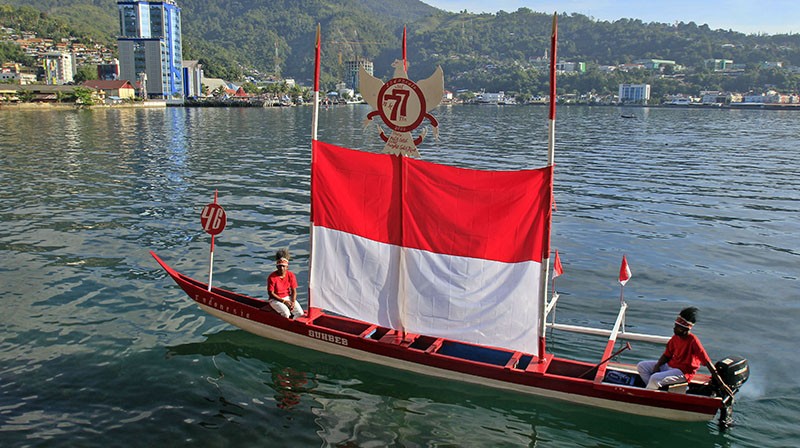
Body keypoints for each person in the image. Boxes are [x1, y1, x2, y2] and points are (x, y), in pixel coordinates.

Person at [637, 307, 733, 397]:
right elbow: (667, 355)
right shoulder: (675, 338)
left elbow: (707, 362)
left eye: (678, 327)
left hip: (683, 372)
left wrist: (721, 383)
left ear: (685, 329)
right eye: (675, 326)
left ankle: (648, 396)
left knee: (654, 378)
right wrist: (657, 366)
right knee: (642, 366)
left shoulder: (693, 341)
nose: (674, 328)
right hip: (671, 366)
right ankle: (654, 389)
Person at [266, 249, 304, 319]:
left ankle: (293, 326)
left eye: (283, 266)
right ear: (276, 266)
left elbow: (294, 291)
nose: (281, 268)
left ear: (287, 267)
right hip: (275, 299)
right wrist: (283, 301)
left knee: (300, 313)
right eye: (280, 266)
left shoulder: (291, 275)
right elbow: (271, 293)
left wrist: (292, 302)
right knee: (286, 313)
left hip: (287, 297)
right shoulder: (272, 277)